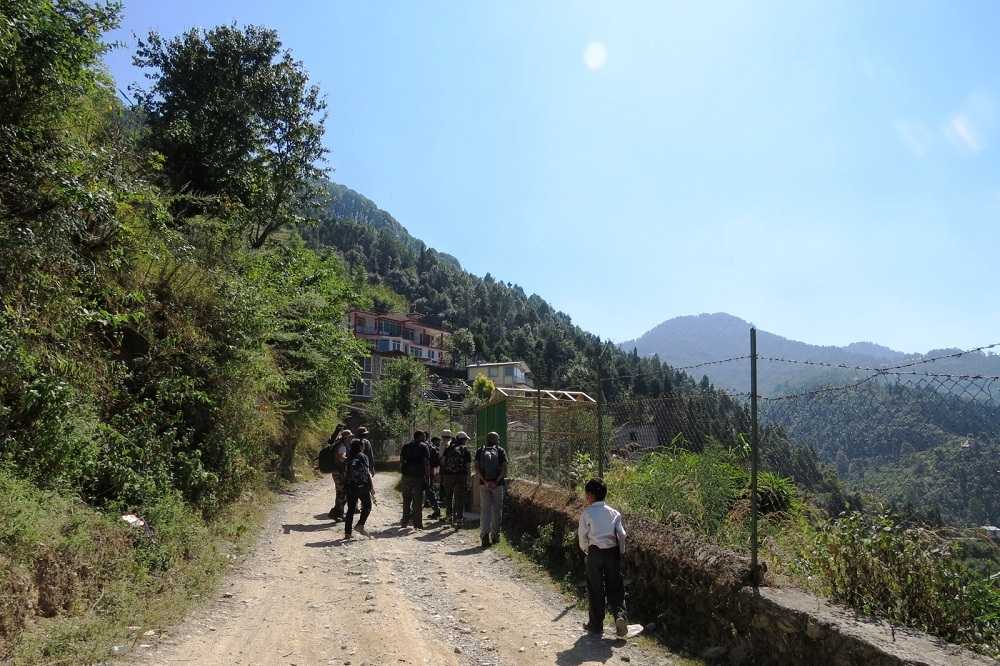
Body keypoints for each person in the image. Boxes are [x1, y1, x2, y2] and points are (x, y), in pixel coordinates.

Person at [577, 478, 628, 637]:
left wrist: (587, 550)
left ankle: (596, 625)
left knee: (595, 588)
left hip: (595, 553)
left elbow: (582, 536)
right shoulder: (614, 513)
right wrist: (620, 552)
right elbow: (622, 534)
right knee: (616, 587)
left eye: (586, 494)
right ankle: (619, 617)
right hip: (612, 553)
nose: (586, 497)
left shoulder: (587, 513)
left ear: (591, 495)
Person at [475, 431, 508, 548]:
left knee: (485, 510)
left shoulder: (480, 450)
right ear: (496, 440)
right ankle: (495, 536)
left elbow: (476, 468)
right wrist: (496, 481)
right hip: (497, 485)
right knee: (497, 510)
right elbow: (504, 469)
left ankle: (484, 537)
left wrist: (485, 481)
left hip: (483, 484)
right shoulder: (500, 451)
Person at [440, 430, 472, 528]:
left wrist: (443, 475)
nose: (466, 441)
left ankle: (449, 517)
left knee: (449, 497)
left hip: (448, 476)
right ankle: (459, 519)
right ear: (463, 440)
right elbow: (468, 466)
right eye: (466, 439)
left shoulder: (448, 448)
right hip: (461, 476)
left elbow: (443, 461)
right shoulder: (465, 450)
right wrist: (469, 479)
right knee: (459, 498)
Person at [399, 431, 430, 528]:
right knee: (417, 501)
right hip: (418, 476)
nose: (425, 438)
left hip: (406, 476)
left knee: (406, 500)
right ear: (420, 437)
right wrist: (427, 476)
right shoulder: (424, 447)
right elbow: (426, 463)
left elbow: (401, 460)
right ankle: (418, 524)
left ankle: (404, 522)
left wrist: (404, 472)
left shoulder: (406, 446)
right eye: (424, 436)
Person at [344, 438, 374, 538]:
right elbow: (367, 472)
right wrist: (371, 487)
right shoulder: (363, 457)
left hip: (350, 486)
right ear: (360, 447)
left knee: (350, 510)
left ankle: (347, 533)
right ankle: (360, 525)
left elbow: (345, 473)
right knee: (367, 506)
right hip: (362, 487)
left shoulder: (348, 457)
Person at [328, 428, 352, 521]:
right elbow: (341, 457)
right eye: (349, 437)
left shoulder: (338, 444)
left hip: (337, 472)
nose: (350, 439)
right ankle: (336, 513)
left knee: (340, 493)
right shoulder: (342, 446)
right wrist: (350, 460)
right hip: (339, 473)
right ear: (346, 437)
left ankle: (337, 514)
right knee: (342, 493)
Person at [424, 435, 442, 519]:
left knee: (420, 492)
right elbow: (437, 462)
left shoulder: (428, 447)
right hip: (429, 473)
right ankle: (436, 510)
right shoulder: (432, 448)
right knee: (430, 491)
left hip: (422, 474)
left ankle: (413, 512)